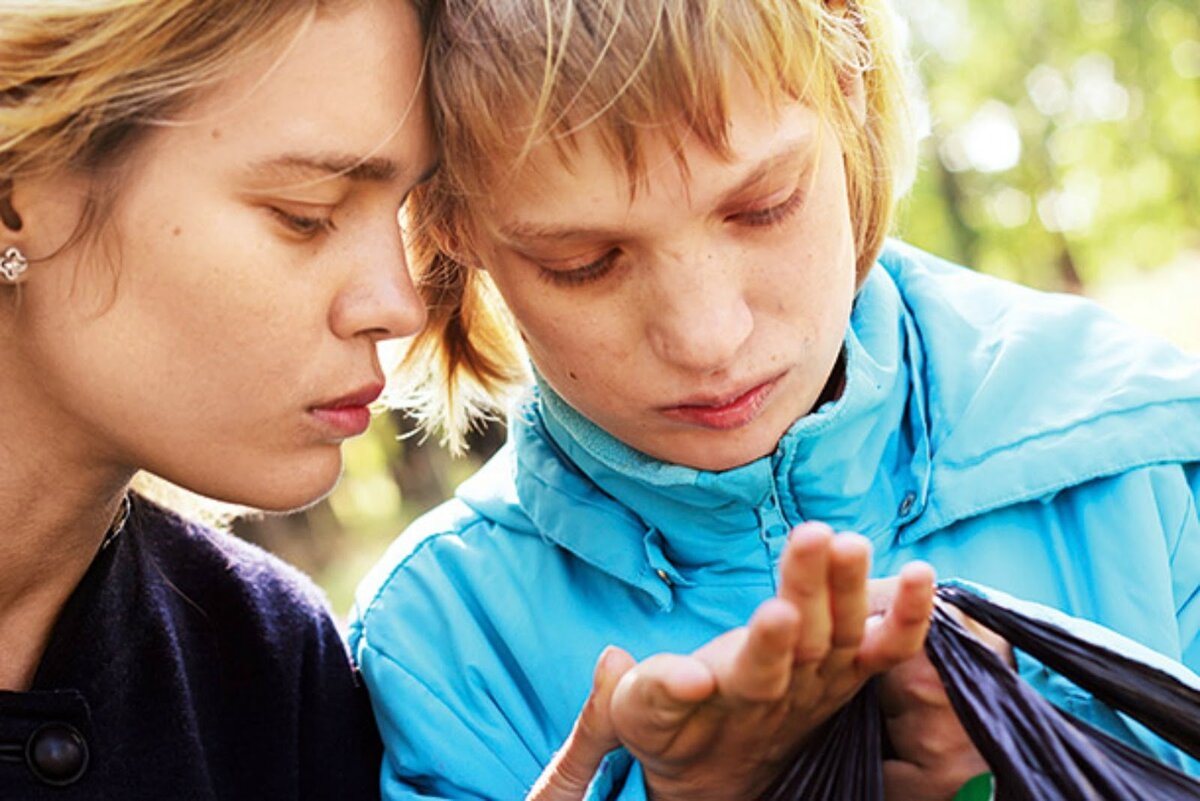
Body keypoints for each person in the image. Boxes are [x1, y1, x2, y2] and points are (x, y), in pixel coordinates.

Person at [351, 0, 1200, 798]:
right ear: (452, 226)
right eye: (585, 261)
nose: (708, 337)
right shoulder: (443, 645)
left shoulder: (1148, 458)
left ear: (848, 90)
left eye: (762, 207)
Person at [0, 0, 439, 797]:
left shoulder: (272, 659)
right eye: (306, 214)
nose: (400, 303)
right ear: (15, 193)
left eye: (404, 212)